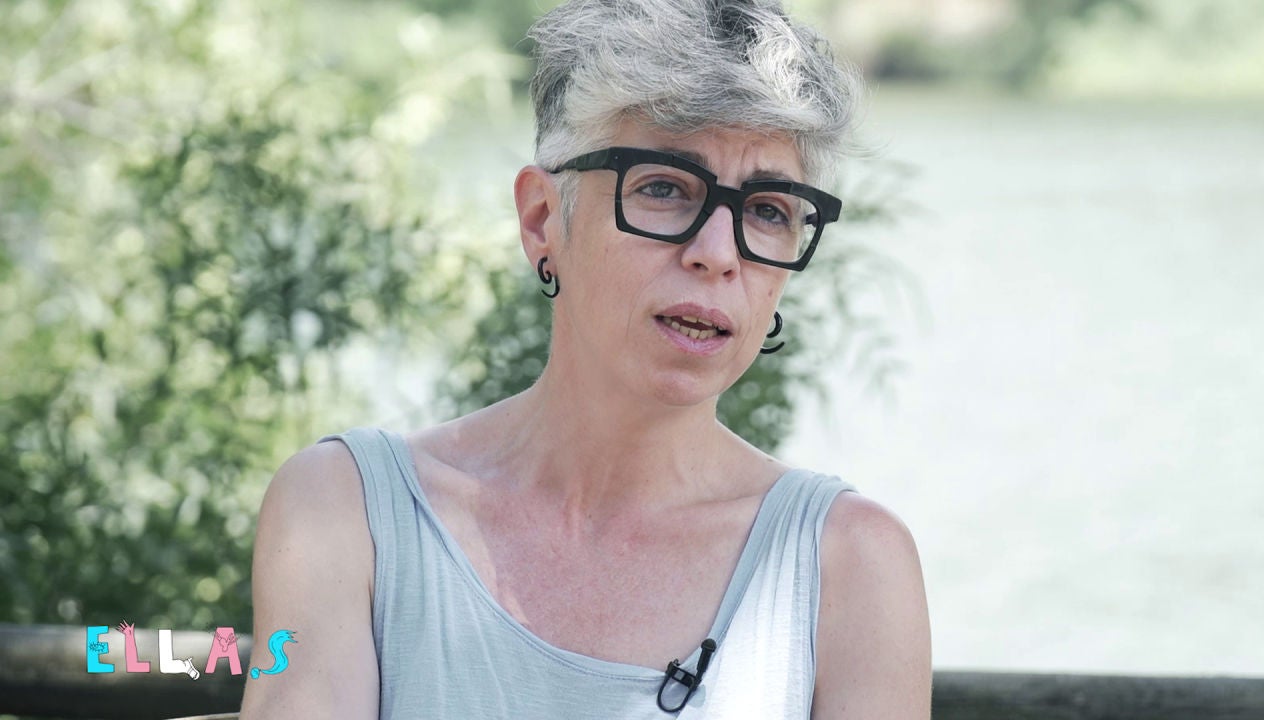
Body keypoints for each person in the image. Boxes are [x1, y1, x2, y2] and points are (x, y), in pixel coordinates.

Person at [240, 0, 931, 717]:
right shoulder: (345, 511)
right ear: (542, 219)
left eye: (767, 210)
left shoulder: (851, 565)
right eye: (664, 188)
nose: (718, 254)